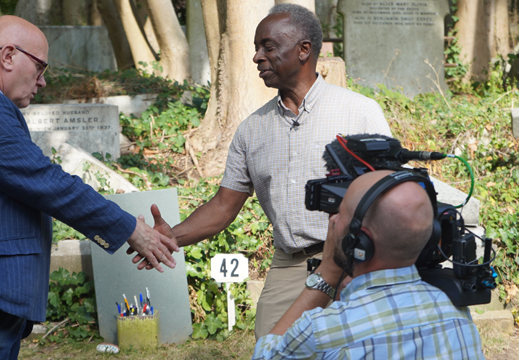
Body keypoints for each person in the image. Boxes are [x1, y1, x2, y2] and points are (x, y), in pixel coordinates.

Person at [0, 16, 178, 359]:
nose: (42, 82)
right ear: (8, 55)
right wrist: (129, 228)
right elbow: (45, 182)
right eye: (40, 68)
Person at [136, 3, 392, 339]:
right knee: (270, 346)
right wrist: (171, 237)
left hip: (356, 259)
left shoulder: (359, 113)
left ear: (304, 50)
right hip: (290, 264)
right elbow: (224, 206)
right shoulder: (251, 130)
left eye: (267, 47)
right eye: (257, 48)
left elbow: (390, 195)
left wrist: (365, 262)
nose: (257, 57)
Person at [251, 170, 484, 359]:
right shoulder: (457, 313)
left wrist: (327, 273)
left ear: (359, 240)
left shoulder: (325, 328)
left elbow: (264, 355)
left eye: (341, 214)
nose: (333, 221)